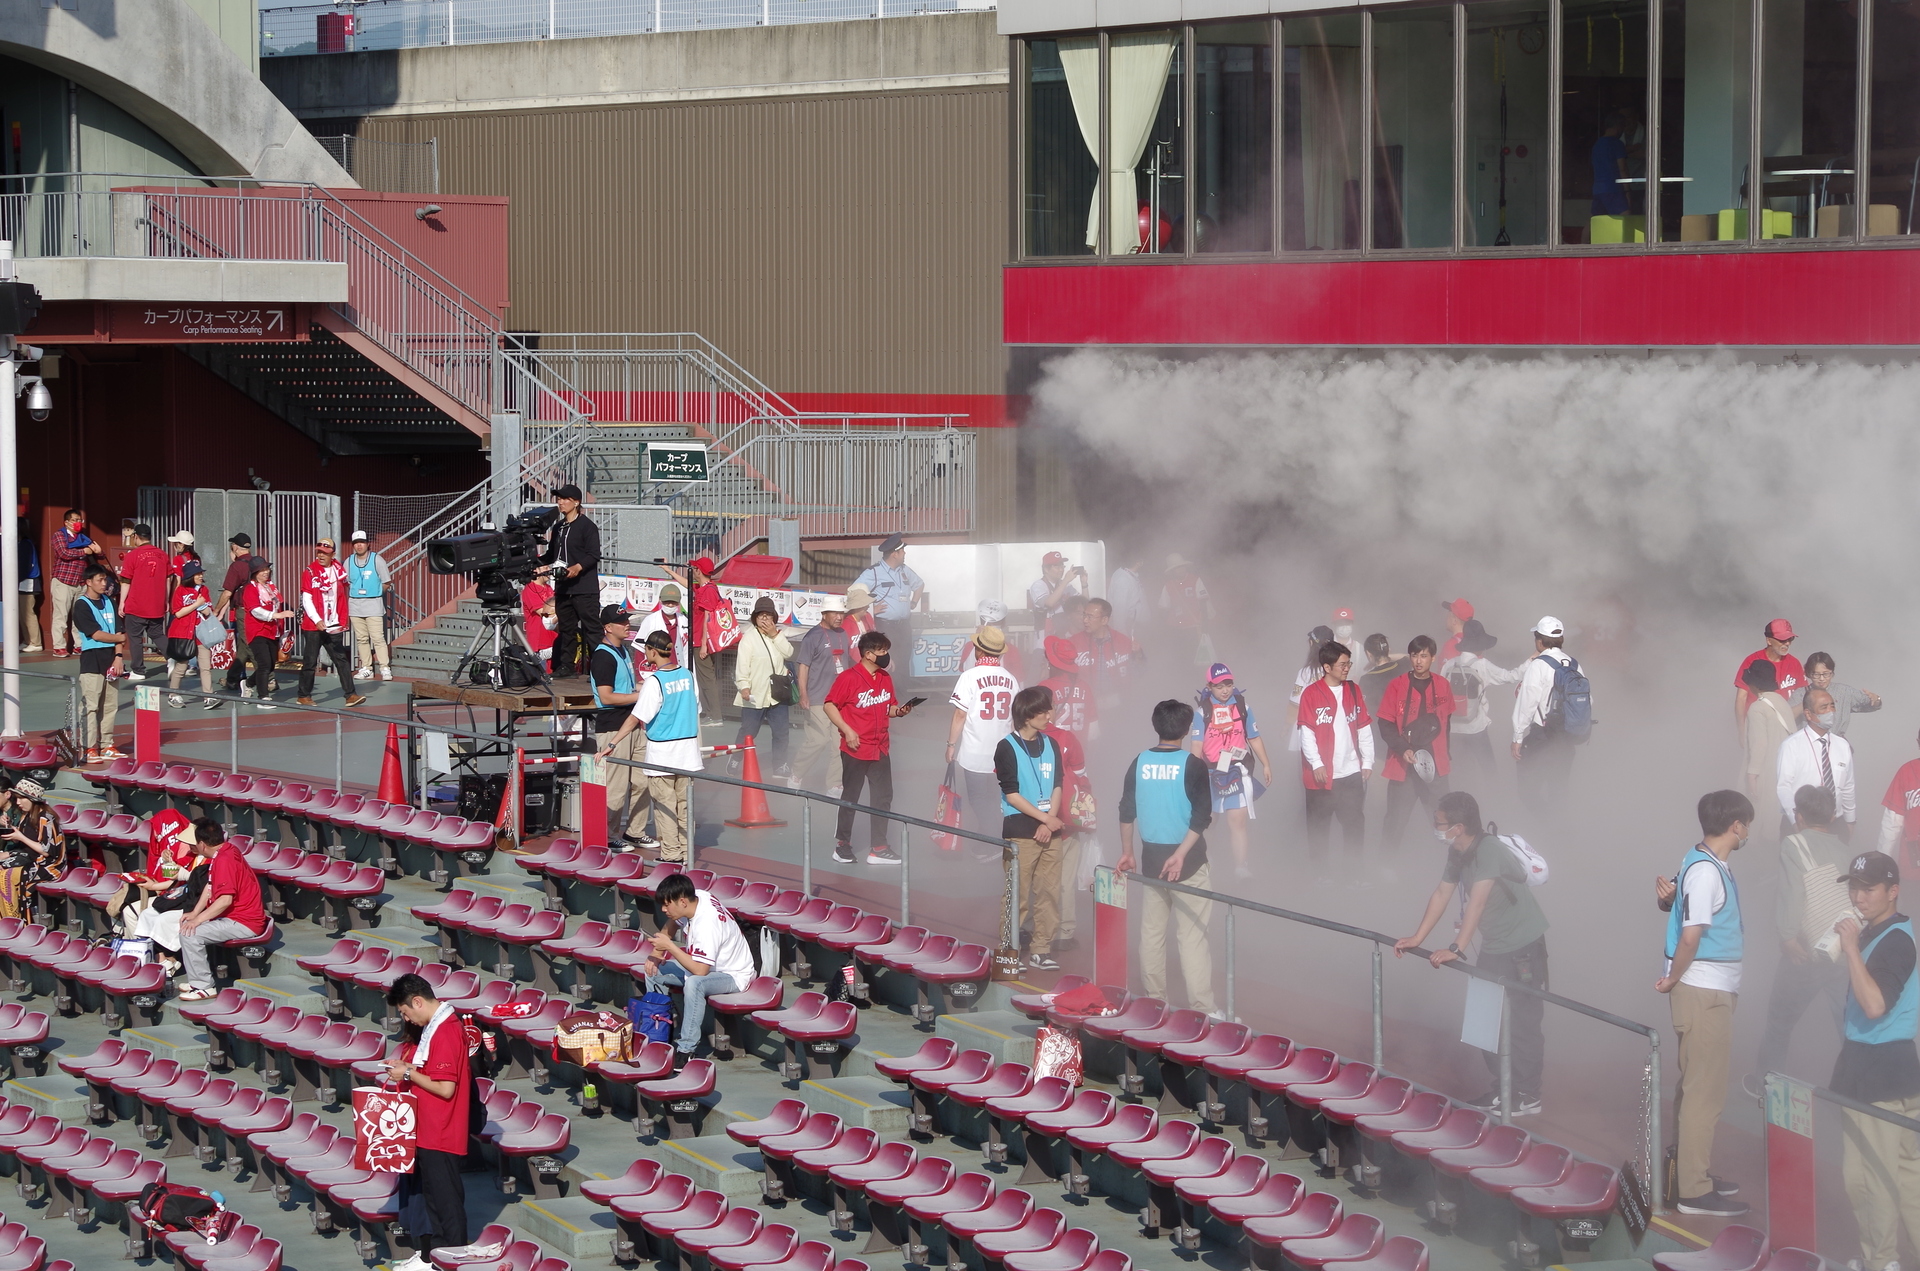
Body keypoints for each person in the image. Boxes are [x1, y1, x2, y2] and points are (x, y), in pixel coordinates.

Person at [1394, 790, 1550, 1116]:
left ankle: (1528, 1095)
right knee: (1483, 1022)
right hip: (1495, 947)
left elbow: (1476, 903)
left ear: (1459, 827)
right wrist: (1417, 937)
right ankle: (1504, 1087)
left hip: (1524, 947)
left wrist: (1456, 949)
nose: (1435, 829)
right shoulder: (1457, 853)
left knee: (1523, 1023)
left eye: (1440, 824)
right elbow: (1442, 893)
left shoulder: (1489, 850)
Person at [1655, 788, 1755, 1217]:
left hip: (1708, 990)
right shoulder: (1707, 872)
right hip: (1703, 993)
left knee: (1696, 1084)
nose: (1748, 831)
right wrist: (1673, 978)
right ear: (1736, 826)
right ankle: (1692, 1191)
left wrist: (1665, 900)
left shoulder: (1702, 863)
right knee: (1705, 1091)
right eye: (1747, 824)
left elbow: (1681, 910)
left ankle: (1689, 1174)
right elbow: (1692, 936)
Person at [1829, 850, 1920, 1271]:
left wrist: (1849, 949)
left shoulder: (1895, 941)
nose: (1858, 896)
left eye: (1868, 888)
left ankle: (1879, 1262)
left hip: (1876, 1073)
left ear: (1893, 891)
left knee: (1868, 1177)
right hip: (1892, 1070)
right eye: (1854, 887)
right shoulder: (1883, 934)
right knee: (1907, 1177)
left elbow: (1874, 1005)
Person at [1749, 785, 1853, 1097]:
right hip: (1842, 950)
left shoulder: (1793, 844)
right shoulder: (1844, 848)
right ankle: (1857, 1093)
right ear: (1832, 816)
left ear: (1799, 815)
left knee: (1779, 1024)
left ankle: (1765, 1087)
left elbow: (1792, 893)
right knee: (1848, 1028)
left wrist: (1787, 938)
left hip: (1807, 952)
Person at [1118, 699, 1217, 1016]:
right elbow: (1201, 818)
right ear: (1188, 730)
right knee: (1192, 938)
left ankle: (1154, 1001)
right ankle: (1202, 1008)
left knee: (1152, 934)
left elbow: (1126, 812)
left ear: (1155, 726)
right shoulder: (1193, 765)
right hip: (1189, 864)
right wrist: (1180, 855)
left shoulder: (1139, 761)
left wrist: (1128, 852)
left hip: (1150, 861)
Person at [381, 973, 471, 1271]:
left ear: (417, 1001)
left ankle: (453, 1258)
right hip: (428, 1128)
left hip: (441, 1129)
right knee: (433, 1201)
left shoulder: (445, 1031)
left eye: (406, 1012)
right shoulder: (439, 1028)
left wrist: (407, 1073)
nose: (407, 1019)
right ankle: (436, 1257)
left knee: (446, 1203)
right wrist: (407, 1068)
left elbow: (445, 1088)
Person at [596, 630, 699, 864]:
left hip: (662, 754)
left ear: (653, 652)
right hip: (688, 754)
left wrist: (612, 743)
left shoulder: (655, 682)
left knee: (665, 807)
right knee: (684, 806)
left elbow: (636, 717)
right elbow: (697, 708)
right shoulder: (688, 675)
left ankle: (671, 854)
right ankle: (686, 852)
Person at [823, 630, 918, 866]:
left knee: (883, 797)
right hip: (856, 747)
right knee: (851, 797)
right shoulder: (848, 678)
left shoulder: (885, 678)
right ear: (867, 654)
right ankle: (842, 845)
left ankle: (879, 847)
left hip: (880, 747)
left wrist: (900, 711)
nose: (886, 656)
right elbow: (829, 705)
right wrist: (847, 729)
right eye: (882, 651)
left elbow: (889, 707)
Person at [643, 872, 757, 1061]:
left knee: (695, 983)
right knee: (654, 971)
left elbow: (700, 971)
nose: (663, 909)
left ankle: (686, 1049)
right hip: (709, 968)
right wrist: (656, 954)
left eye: (666, 904)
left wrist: (669, 946)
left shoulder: (707, 924)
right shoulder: (698, 896)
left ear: (682, 902)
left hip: (733, 975)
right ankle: (659, 1033)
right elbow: (673, 922)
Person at [996, 686, 1068, 970]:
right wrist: (1045, 819)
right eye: (1043, 710)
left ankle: (1041, 948)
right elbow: (1011, 793)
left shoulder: (1051, 744)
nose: (1050, 714)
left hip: (1050, 829)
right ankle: (1007, 953)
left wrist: (1049, 820)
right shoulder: (1006, 747)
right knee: (1018, 894)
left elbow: (1058, 783)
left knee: (1049, 892)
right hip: (1021, 830)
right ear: (1026, 715)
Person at [1189, 662, 1272, 882]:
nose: (1225, 689)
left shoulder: (1243, 706)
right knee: (1209, 821)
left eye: (1228, 684)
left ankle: (1240, 866)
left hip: (1236, 770)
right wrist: (1194, 777)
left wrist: (1266, 764)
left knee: (1238, 821)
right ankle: (1206, 859)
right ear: (1209, 686)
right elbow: (1196, 747)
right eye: (1219, 686)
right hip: (1210, 772)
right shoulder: (1202, 712)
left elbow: (1253, 737)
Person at [1298, 641, 1374, 880]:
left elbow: (1363, 728)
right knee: (1319, 828)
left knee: (1354, 826)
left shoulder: (1354, 690)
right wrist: (1317, 763)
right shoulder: (1311, 693)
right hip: (1320, 776)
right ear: (1327, 667)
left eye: (1349, 663)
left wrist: (1368, 762)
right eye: (1342, 664)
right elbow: (1306, 733)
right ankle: (1321, 876)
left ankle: (1354, 874)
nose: (1347, 668)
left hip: (1351, 772)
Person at [1376, 636, 1458, 854]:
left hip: (1436, 767)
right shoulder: (1396, 685)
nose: (1419, 661)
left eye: (1424, 656)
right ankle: (1385, 867)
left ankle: (1447, 864)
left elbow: (1446, 723)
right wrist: (1403, 749)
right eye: (1414, 656)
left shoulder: (1443, 685)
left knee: (1444, 818)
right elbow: (1385, 724)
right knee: (1395, 820)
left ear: (1433, 657)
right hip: (1404, 766)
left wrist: (1445, 754)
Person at [175, 818, 269, 1002]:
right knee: (189, 925)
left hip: (244, 922)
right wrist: (194, 913)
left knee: (190, 934)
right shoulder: (224, 851)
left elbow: (225, 900)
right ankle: (197, 981)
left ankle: (204, 987)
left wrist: (198, 920)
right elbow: (209, 887)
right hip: (237, 917)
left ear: (202, 844)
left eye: (193, 844)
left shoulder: (224, 860)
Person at [948, 625, 1021, 849]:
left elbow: (960, 714)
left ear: (979, 651)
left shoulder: (969, 676)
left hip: (975, 753)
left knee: (979, 801)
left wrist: (951, 744)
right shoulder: (1011, 679)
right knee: (997, 800)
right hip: (1004, 752)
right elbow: (1013, 719)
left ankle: (992, 841)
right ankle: (996, 837)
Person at [590, 607, 651, 851]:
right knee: (615, 786)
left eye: (626, 620)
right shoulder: (603, 655)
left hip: (633, 722)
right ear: (608, 627)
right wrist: (639, 695)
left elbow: (625, 687)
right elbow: (606, 697)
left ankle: (635, 831)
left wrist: (645, 687)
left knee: (643, 781)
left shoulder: (622, 650)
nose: (627, 624)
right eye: (621, 622)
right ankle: (608, 834)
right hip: (613, 727)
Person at [1442, 619, 1522, 788]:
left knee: (1457, 771)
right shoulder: (1482, 665)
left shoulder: (1449, 665)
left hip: (1453, 729)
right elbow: (1511, 676)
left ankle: (1457, 802)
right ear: (1479, 645)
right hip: (1475, 728)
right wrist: (1531, 661)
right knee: (1489, 769)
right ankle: (1495, 802)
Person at [1511, 617, 1579, 816]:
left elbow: (1527, 704)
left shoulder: (1538, 666)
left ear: (1540, 641)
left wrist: (1517, 737)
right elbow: (1588, 701)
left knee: (1527, 791)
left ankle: (1548, 827)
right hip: (1567, 739)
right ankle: (1561, 835)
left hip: (1542, 738)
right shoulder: (1573, 664)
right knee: (1558, 792)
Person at [535, 483, 601, 677]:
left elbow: (594, 554)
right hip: (563, 588)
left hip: (584, 588)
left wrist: (577, 567)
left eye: (565, 499)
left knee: (592, 630)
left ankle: (598, 669)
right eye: (559, 499)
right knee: (566, 629)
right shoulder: (558, 527)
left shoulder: (587, 526)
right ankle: (566, 666)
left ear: (576, 502)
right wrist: (534, 563)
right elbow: (552, 555)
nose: (560, 502)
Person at [1778, 687, 1857, 843]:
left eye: (1832, 706)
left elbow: (1848, 786)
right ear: (1808, 714)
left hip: (1835, 822)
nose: (1831, 711)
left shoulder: (1842, 745)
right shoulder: (1791, 745)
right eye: (1824, 707)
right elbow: (1783, 787)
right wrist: (1796, 823)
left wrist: (1850, 820)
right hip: (1802, 823)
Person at [792, 592, 851, 797]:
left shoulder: (843, 634)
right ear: (824, 614)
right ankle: (797, 773)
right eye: (834, 613)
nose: (839, 617)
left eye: (841, 613)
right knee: (818, 740)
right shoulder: (813, 636)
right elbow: (803, 667)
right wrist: (803, 694)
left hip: (840, 700)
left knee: (838, 743)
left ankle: (834, 784)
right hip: (818, 697)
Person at [298, 538, 364, 708]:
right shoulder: (310, 572)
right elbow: (307, 599)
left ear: (333, 554)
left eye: (325, 553)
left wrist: (340, 620)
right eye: (319, 552)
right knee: (310, 661)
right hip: (314, 625)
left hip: (333, 624)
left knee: (341, 659)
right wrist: (317, 619)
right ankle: (303, 695)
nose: (321, 555)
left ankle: (351, 694)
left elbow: (339, 598)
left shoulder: (338, 571)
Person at [732, 596, 794, 778]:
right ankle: (735, 759)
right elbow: (742, 666)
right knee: (748, 731)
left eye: (768, 615)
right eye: (761, 616)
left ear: (774, 617)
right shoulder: (748, 639)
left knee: (781, 732)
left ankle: (780, 765)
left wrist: (775, 635)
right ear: (755, 618)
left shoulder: (779, 635)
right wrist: (744, 686)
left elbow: (789, 653)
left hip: (778, 694)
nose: (765, 620)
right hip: (755, 694)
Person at [72, 566, 127, 763]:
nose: (105, 584)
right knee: (90, 706)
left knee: (110, 705)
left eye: (106, 580)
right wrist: (117, 638)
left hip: (112, 658)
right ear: (88, 582)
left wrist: (119, 656)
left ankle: (107, 745)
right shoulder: (82, 605)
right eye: (100, 580)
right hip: (92, 659)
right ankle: (89, 748)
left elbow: (121, 631)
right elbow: (96, 634)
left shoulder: (110, 601)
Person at [1742, 659, 1796, 836]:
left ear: (1754, 684)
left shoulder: (1757, 708)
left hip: (1766, 770)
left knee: (1758, 820)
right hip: (1784, 769)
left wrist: (1752, 775)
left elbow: (1759, 744)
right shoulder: (1781, 702)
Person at [0, 777, 66, 922]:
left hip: (47, 864)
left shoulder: (47, 818)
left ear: (32, 799)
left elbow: (47, 851)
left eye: (21, 799)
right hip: (28, 857)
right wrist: (12, 830)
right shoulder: (25, 815)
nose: (17, 803)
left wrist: (21, 837)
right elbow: (22, 842)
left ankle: (14, 920)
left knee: (4, 875)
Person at [115, 523, 168, 679]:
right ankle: (173, 659)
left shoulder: (133, 555)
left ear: (136, 537)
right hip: (157, 603)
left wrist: (122, 602)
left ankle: (138, 670)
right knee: (158, 634)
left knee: (135, 637)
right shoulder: (163, 555)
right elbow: (168, 579)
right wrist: (166, 599)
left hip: (137, 603)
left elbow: (126, 581)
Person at [240, 558, 294, 710]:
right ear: (254, 573)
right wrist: (277, 616)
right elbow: (256, 611)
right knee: (263, 663)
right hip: (257, 631)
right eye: (262, 570)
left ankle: (248, 684)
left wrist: (282, 629)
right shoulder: (250, 589)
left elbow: (277, 605)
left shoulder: (271, 586)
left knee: (270, 665)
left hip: (273, 631)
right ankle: (262, 697)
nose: (266, 572)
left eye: (267, 569)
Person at [854, 533, 922, 653]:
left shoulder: (904, 570)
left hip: (904, 626)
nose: (904, 553)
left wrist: (914, 603)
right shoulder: (873, 572)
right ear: (894, 554)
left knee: (904, 660)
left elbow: (919, 585)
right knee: (888, 659)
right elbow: (854, 593)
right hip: (885, 626)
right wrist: (871, 610)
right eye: (902, 551)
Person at [48, 507, 102, 658]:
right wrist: (83, 552)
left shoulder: (83, 538)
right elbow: (64, 553)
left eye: (80, 520)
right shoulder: (59, 535)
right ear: (66, 522)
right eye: (74, 520)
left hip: (80, 582)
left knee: (79, 615)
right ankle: (58, 646)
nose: (78, 523)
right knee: (61, 615)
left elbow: (97, 551)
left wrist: (98, 551)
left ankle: (80, 645)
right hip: (63, 581)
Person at [1736, 619, 1805, 737]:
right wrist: (1742, 731)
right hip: (1758, 726)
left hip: (1786, 728)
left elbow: (1803, 695)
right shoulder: (1752, 661)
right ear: (1768, 640)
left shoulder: (1794, 663)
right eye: (1782, 640)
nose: (1787, 643)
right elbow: (1741, 699)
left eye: (1790, 639)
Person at [165, 561, 219, 709]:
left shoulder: (204, 590)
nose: (201, 576)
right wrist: (196, 604)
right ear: (189, 576)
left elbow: (208, 611)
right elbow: (178, 612)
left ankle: (208, 696)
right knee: (182, 665)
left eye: (201, 573)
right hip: (183, 632)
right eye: (197, 574)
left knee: (205, 666)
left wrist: (206, 609)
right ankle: (173, 694)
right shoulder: (180, 590)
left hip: (201, 632)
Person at [1073, 598, 1136, 718]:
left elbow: (1139, 674)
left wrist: (1139, 655)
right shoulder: (1074, 642)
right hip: (1085, 707)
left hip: (1117, 709)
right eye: (1084, 615)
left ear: (1104, 620)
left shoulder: (1123, 642)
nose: (1085, 620)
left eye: (1090, 617)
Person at [345, 530, 393, 681]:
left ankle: (385, 667)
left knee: (378, 638)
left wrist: (377, 593)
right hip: (355, 605)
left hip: (374, 604)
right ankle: (367, 668)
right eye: (356, 543)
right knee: (361, 638)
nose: (359, 546)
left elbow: (386, 582)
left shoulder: (377, 559)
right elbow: (346, 582)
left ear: (367, 544)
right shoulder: (348, 561)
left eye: (362, 542)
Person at [681, 557, 725, 722]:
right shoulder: (705, 588)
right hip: (699, 641)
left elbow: (707, 618)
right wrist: (668, 570)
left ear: (698, 571)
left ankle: (715, 716)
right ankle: (710, 714)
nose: (692, 570)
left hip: (702, 642)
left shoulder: (708, 591)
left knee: (707, 679)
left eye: (693, 568)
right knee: (703, 678)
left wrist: (704, 645)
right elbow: (686, 583)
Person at [215, 533, 258, 697]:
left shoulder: (237, 567)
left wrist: (217, 610)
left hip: (242, 610)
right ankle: (232, 678)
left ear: (235, 547)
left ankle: (267, 677)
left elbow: (227, 593)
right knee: (242, 647)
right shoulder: (256, 563)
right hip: (258, 609)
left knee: (249, 644)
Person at [1805, 652, 1882, 737]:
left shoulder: (1844, 691)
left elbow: (1871, 703)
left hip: (1837, 743)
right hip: (1808, 743)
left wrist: (1876, 699)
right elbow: (1788, 717)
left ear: (1832, 673)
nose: (1822, 679)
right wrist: (1806, 702)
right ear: (1809, 674)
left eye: (1826, 674)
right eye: (1816, 674)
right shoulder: (1801, 694)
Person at [1158, 554, 1212, 669]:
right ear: (1172, 571)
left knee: (1201, 661)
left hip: (1195, 629)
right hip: (1178, 631)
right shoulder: (1168, 586)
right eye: (1177, 568)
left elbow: (1204, 604)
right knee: (1182, 661)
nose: (1180, 570)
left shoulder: (1195, 580)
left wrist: (1205, 628)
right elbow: (1163, 608)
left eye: (1182, 567)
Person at [1038, 636, 1095, 741]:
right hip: (1078, 751)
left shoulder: (1044, 688)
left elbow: (1034, 725)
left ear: (1050, 663)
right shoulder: (1085, 687)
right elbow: (1094, 732)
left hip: (1052, 749)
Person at [1879, 729, 1920, 872]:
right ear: (1918, 742)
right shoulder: (1907, 771)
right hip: (1913, 864)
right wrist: (1882, 862)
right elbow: (1891, 822)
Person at [961, 599, 1026, 682]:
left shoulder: (1011, 650)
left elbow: (1018, 679)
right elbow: (967, 670)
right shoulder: (970, 646)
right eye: (989, 623)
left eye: (996, 623)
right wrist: (978, 642)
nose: (992, 626)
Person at [635, 582, 691, 672]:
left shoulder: (684, 621)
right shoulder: (650, 620)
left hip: (679, 671)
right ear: (660, 600)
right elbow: (639, 650)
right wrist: (640, 676)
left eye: (673, 602)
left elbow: (688, 652)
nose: (670, 605)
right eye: (667, 602)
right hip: (656, 671)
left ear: (678, 602)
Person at [1028, 551, 1084, 633]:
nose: (1061, 570)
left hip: (1065, 631)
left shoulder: (1065, 585)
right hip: (1045, 634)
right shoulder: (1038, 586)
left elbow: (1084, 604)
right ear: (1046, 569)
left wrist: (1084, 584)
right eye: (1057, 567)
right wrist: (1065, 581)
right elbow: (1049, 603)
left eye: (1062, 566)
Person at [1590, 109, 1631, 218]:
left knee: (1593, 220)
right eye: (1623, 127)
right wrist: (1627, 190)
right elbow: (1622, 169)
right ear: (1618, 126)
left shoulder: (1596, 145)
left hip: (1598, 188)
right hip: (1613, 188)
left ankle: (1583, 236)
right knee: (1626, 217)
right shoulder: (1617, 144)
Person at [1106, 549, 1150, 649]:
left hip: (1137, 629)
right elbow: (1119, 611)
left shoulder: (1129, 575)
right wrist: (1124, 639)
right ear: (1138, 562)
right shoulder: (1123, 580)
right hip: (1130, 629)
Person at [1356, 634, 1405, 714]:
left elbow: (1365, 709)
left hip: (1381, 724)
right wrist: (1386, 655)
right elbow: (1409, 657)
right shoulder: (1402, 666)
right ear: (1388, 650)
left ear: (1368, 654)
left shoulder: (1366, 679)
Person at [16, 514, 39, 654]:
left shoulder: (26, 544)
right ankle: (27, 640)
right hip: (21, 583)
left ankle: (35, 642)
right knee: (22, 614)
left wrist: (15, 579)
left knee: (28, 613)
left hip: (28, 583)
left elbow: (24, 566)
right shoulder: (21, 543)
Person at [1439, 598, 1475, 663]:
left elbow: (1444, 672)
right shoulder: (1476, 645)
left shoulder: (1451, 645)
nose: (1446, 618)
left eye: (1449, 614)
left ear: (1454, 621)